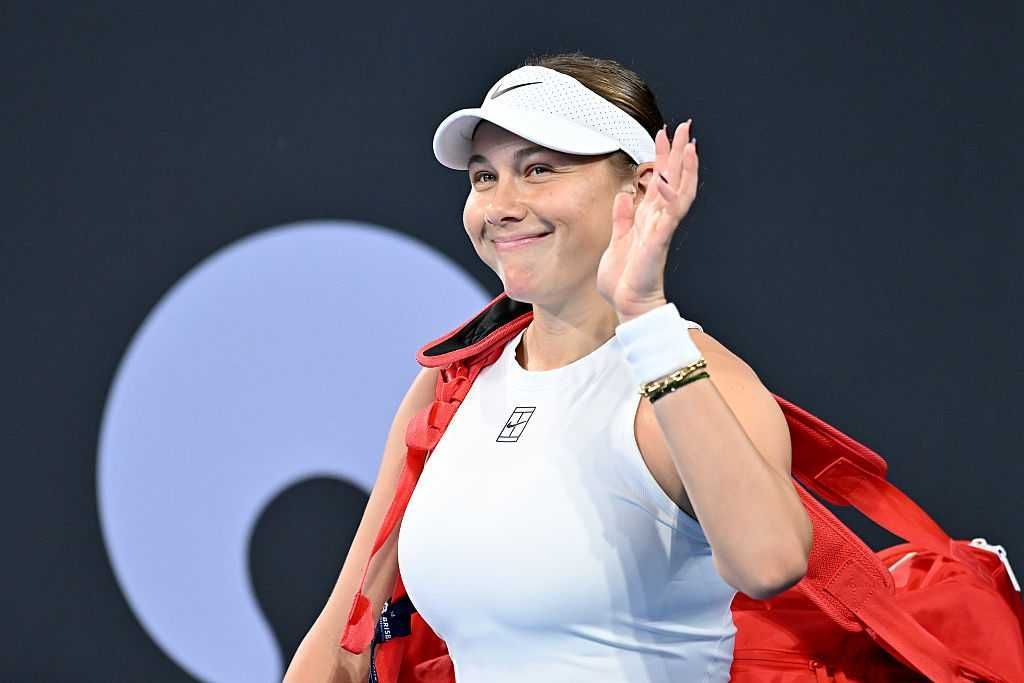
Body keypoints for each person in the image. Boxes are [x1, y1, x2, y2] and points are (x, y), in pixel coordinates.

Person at [284, 52, 812, 683]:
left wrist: (644, 314)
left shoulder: (698, 377)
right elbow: (344, 639)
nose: (500, 206)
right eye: (484, 177)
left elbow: (770, 564)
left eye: (538, 170)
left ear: (643, 188)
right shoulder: (450, 388)